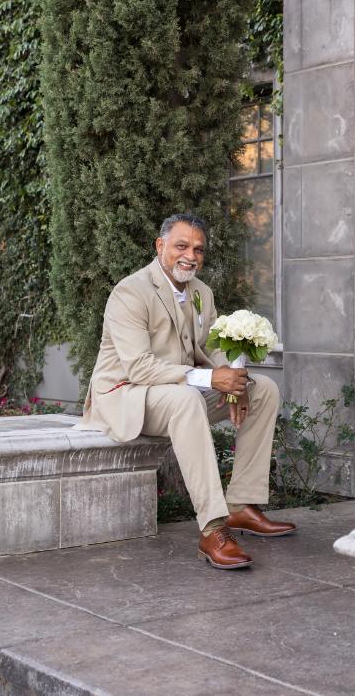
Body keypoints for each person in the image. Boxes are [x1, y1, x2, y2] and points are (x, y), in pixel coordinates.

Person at [78, 212, 295, 569]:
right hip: (128, 393)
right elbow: (139, 368)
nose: (190, 255)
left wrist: (235, 379)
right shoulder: (130, 291)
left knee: (264, 389)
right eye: (181, 246)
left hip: (176, 390)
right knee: (186, 399)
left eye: (198, 249)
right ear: (160, 246)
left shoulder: (200, 293)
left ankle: (241, 505)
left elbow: (210, 349)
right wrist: (211, 380)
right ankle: (212, 528)